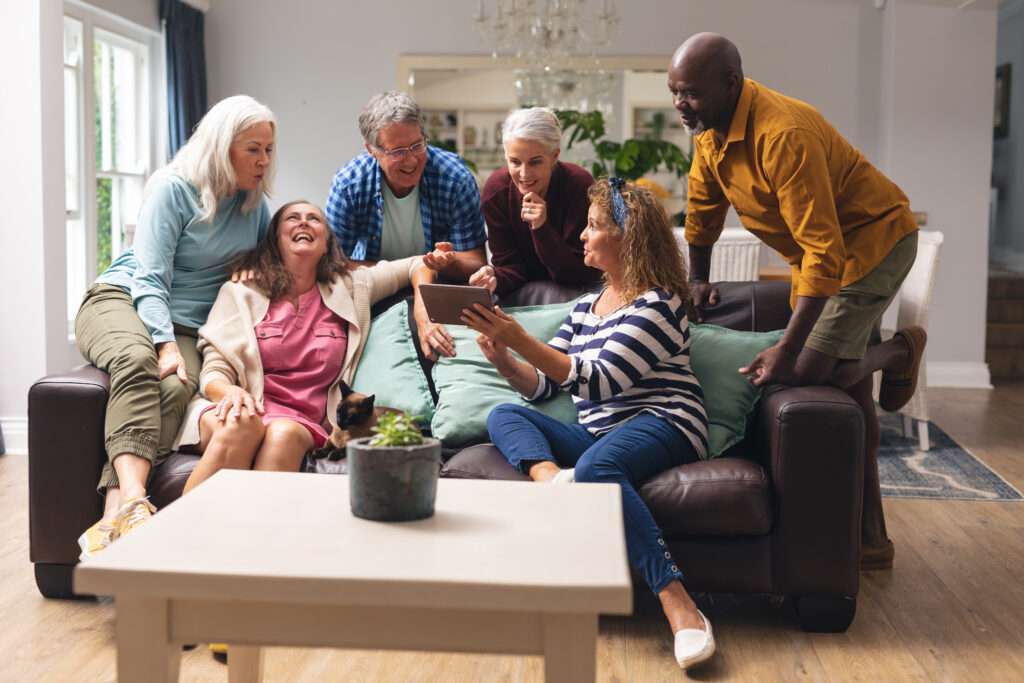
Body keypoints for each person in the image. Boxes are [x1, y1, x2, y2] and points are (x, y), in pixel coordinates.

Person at [668, 33, 927, 570]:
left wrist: (787, 348)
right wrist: (697, 279)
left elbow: (823, 250)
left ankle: (901, 351)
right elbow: (702, 209)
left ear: (730, 83)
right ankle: (872, 538)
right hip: (825, 257)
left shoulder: (783, 134)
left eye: (689, 92)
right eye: (673, 91)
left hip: (873, 244)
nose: (679, 104)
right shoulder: (710, 132)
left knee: (813, 371)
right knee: (850, 390)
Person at [462, 178, 715, 670]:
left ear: (627, 238)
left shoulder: (659, 304)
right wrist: (503, 358)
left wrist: (519, 336)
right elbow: (544, 387)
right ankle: (553, 480)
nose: (581, 235)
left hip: (664, 420)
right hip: (600, 433)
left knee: (599, 468)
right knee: (503, 414)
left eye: (594, 226)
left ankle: (681, 606)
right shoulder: (584, 307)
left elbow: (597, 382)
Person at [75, 95, 276, 560]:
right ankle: (130, 500)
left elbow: (267, 262)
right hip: (123, 300)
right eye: (253, 149)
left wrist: (255, 269)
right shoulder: (173, 189)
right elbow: (149, 277)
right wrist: (164, 345)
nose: (264, 160)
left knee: (172, 391)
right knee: (139, 361)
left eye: (268, 148)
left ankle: (112, 522)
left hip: (187, 324)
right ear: (223, 146)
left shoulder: (253, 205)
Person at [173, 201, 427, 492]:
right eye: (293, 218)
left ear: (326, 243)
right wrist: (231, 391)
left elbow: (416, 264)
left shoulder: (351, 286)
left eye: (314, 219)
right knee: (243, 424)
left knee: (283, 434)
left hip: (301, 421)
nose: (304, 222)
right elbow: (215, 368)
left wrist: (421, 306)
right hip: (239, 405)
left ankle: (253, 535)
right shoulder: (241, 291)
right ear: (275, 240)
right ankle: (179, 534)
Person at [325, 90, 487, 360]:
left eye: (417, 145)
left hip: (440, 292)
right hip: (378, 293)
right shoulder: (349, 185)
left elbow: (477, 263)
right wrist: (405, 271)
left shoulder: (454, 177)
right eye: (398, 151)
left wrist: (448, 262)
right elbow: (331, 265)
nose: (411, 159)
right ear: (372, 150)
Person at [468, 106, 600, 297]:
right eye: (514, 162)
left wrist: (542, 228)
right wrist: (494, 275)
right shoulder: (496, 192)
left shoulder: (580, 185)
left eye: (535, 162)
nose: (524, 174)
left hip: (578, 293)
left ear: (554, 156)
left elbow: (581, 272)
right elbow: (511, 268)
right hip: (522, 295)